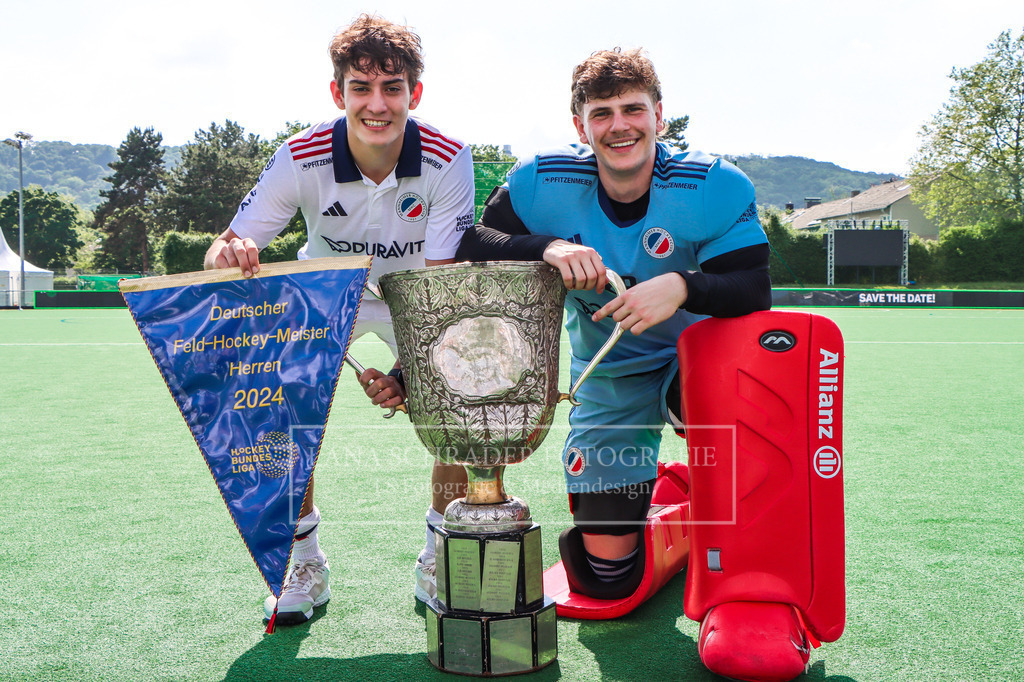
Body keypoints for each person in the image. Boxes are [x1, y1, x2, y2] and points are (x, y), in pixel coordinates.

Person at [455, 48, 771, 598]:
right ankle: (673, 499)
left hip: (694, 360)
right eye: (601, 113)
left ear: (658, 116)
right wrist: (547, 247)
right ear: (581, 126)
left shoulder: (710, 183)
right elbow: (473, 244)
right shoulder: (542, 180)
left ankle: (713, 503)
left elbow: (754, 289)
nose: (619, 125)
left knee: (725, 413)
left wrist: (683, 286)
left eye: (633, 109)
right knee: (607, 578)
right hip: (608, 374)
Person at [205, 14, 472, 625]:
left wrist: (407, 373)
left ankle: (440, 555)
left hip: (415, 296)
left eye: (392, 88)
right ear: (338, 92)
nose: (377, 104)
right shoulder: (299, 156)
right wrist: (232, 254)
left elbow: (438, 286)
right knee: (279, 413)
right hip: (325, 296)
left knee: (455, 401)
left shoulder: (448, 158)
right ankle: (304, 564)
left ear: (414, 94)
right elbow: (221, 249)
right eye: (361, 88)